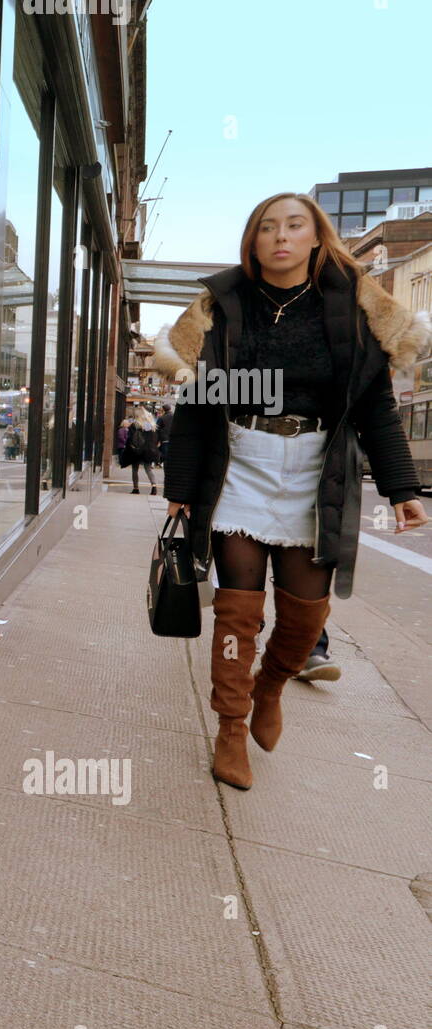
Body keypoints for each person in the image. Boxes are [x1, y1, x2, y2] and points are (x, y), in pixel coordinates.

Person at [154, 191, 429, 790]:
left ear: (315, 237)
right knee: (238, 608)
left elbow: (375, 410)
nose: (280, 236)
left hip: (316, 468)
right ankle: (230, 727)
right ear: (252, 242)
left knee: (305, 616)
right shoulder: (224, 308)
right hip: (240, 464)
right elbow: (197, 407)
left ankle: (271, 684)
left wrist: (401, 486)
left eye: (294, 225)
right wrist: (179, 487)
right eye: (267, 228)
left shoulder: (352, 310)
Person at [125, 405, 161, 494]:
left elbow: (130, 437)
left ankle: (136, 488)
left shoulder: (135, 424)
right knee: (148, 469)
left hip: (137, 449)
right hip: (149, 449)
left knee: (135, 469)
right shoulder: (152, 425)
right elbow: (156, 438)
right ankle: (154, 487)